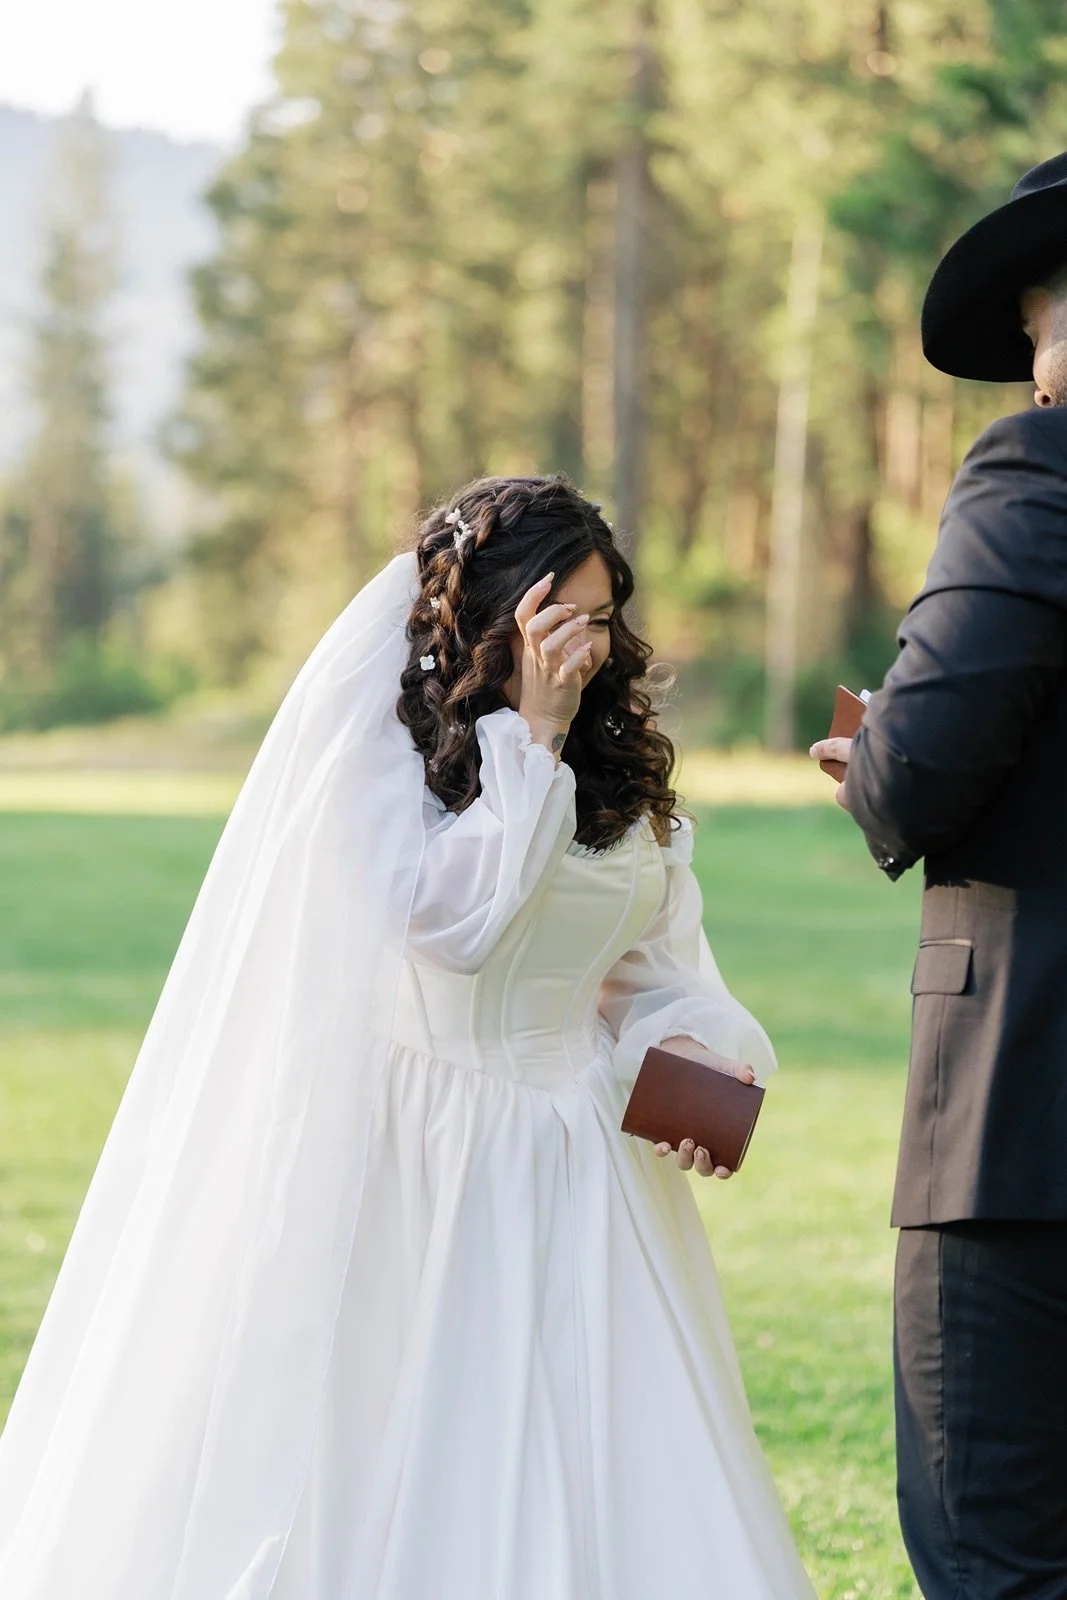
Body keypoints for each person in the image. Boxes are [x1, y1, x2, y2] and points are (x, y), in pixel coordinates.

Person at [0, 474, 814, 1598]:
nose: (587, 642)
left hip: (583, 1161)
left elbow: (645, 966)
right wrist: (531, 731)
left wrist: (694, 1052)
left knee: (602, 1463)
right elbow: (458, 928)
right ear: (490, 617)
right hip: (427, 1147)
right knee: (410, 1458)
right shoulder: (378, 760)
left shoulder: (617, 763)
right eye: (558, 616)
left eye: (598, 614)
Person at [811, 153, 1067, 1600]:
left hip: (1023, 1125)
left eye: (1039, 328)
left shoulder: (1034, 475)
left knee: (995, 1556)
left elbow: (924, 764)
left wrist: (872, 758)